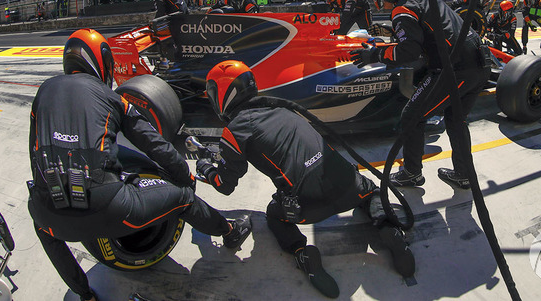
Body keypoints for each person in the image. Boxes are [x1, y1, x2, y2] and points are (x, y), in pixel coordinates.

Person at [27, 29, 251, 301]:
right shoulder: (112, 98)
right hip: (109, 209)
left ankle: (85, 294)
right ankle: (230, 232)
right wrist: (184, 176)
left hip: (50, 213)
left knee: (43, 225)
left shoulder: (43, 93)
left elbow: (35, 154)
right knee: (183, 199)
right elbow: (154, 144)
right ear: (102, 61)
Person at [197, 61, 415, 298]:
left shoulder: (235, 131)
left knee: (274, 214)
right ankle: (386, 226)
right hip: (348, 186)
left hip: (307, 207)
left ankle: (301, 252)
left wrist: (205, 167)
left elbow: (225, 185)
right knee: (370, 191)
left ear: (223, 93)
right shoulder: (282, 108)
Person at [350, 0, 492, 190]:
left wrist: (373, 55)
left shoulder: (402, 8)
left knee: (411, 116)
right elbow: (427, 31)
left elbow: (408, 52)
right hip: (479, 63)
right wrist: (392, 32)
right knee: (456, 120)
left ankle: (411, 173)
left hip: (455, 68)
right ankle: (464, 174)